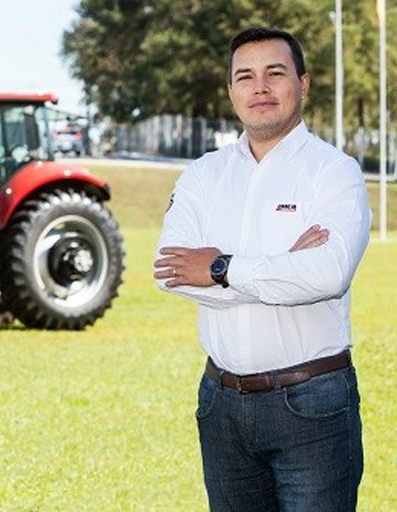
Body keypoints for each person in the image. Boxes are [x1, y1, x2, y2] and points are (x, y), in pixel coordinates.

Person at [153, 26, 370, 510]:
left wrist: (220, 267)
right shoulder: (203, 174)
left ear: (304, 83)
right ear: (231, 91)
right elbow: (169, 270)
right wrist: (283, 267)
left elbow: (329, 274)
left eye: (276, 73)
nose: (261, 87)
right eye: (245, 77)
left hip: (312, 403)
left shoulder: (335, 172)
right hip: (221, 404)